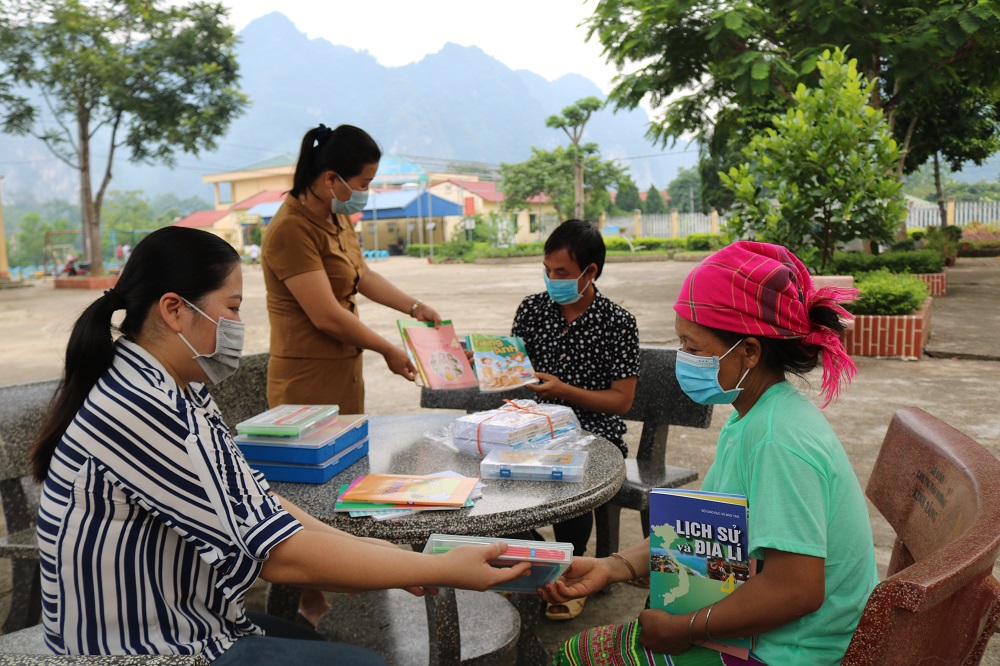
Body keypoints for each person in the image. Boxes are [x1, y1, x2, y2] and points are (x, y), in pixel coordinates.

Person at [31, 226, 530, 664]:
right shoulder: (141, 406)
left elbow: (259, 503)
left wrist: (374, 550)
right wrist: (433, 566)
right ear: (174, 310)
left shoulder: (178, 389)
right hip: (142, 651)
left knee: (342, 646)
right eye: (232, 308)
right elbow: (278, 556)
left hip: (194, 622)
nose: (237, 327)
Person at [540, 241, 879, 665]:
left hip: (789, 652)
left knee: (577, 657)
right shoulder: (753, 415)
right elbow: (705, 538)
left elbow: (797, 590)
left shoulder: (780, 441)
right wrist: (612, 566)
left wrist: (687, 628)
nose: (683, 358)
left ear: (750, 352)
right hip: (763, 627)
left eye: (694, 347)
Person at [261, 123, 442, 622]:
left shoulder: (334, 221)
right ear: (330, 179)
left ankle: (338, 574)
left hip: (343, 372)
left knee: (345, 479)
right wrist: (386, 347)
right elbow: (324, 313)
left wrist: (415, 306)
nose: (364, 194)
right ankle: (307, 593)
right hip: (305, 380)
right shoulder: (290, 228)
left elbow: (360, 277)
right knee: (309, 490)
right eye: (361, 184)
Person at [511, 219, 640, 621]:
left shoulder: (617, 323)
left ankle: (569, 570)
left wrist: (564, 391)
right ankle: (541, 562)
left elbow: (621, 401)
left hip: (594, 432)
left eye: (562, 273)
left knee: (573, 471)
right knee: (486, 474)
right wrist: (496, 373)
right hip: (534, 423)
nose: (552, 279)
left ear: (591, 272)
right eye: (547, 270)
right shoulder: (532, 310)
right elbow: (514, 371)